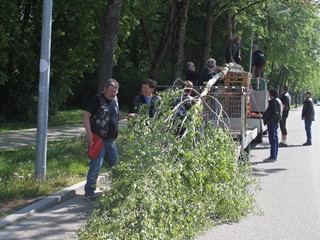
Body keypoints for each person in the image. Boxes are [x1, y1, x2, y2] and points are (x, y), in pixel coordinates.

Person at [83, 79, 120, 201]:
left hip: (110, 141)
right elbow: (86, 116)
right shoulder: (97, 100)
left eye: (115, 91)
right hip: (98, 139)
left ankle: (120, 188)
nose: (113, 94)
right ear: (104, 89)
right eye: (111, 91)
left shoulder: (115, 101)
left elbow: (114, 117)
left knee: (117, 166)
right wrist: (89, 133)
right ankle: (89, 192)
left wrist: (127, 116)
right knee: (95, 167)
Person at [262, 89, 282, 162]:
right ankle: (274, 156)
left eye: (269, 94)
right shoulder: (278, 100)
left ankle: (273, 157)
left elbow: (273, 113)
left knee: (272, 140)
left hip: (272, 122)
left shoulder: (273, 102)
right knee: (275, 139)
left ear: (271, 95)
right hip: (276, 122)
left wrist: (266, 119)